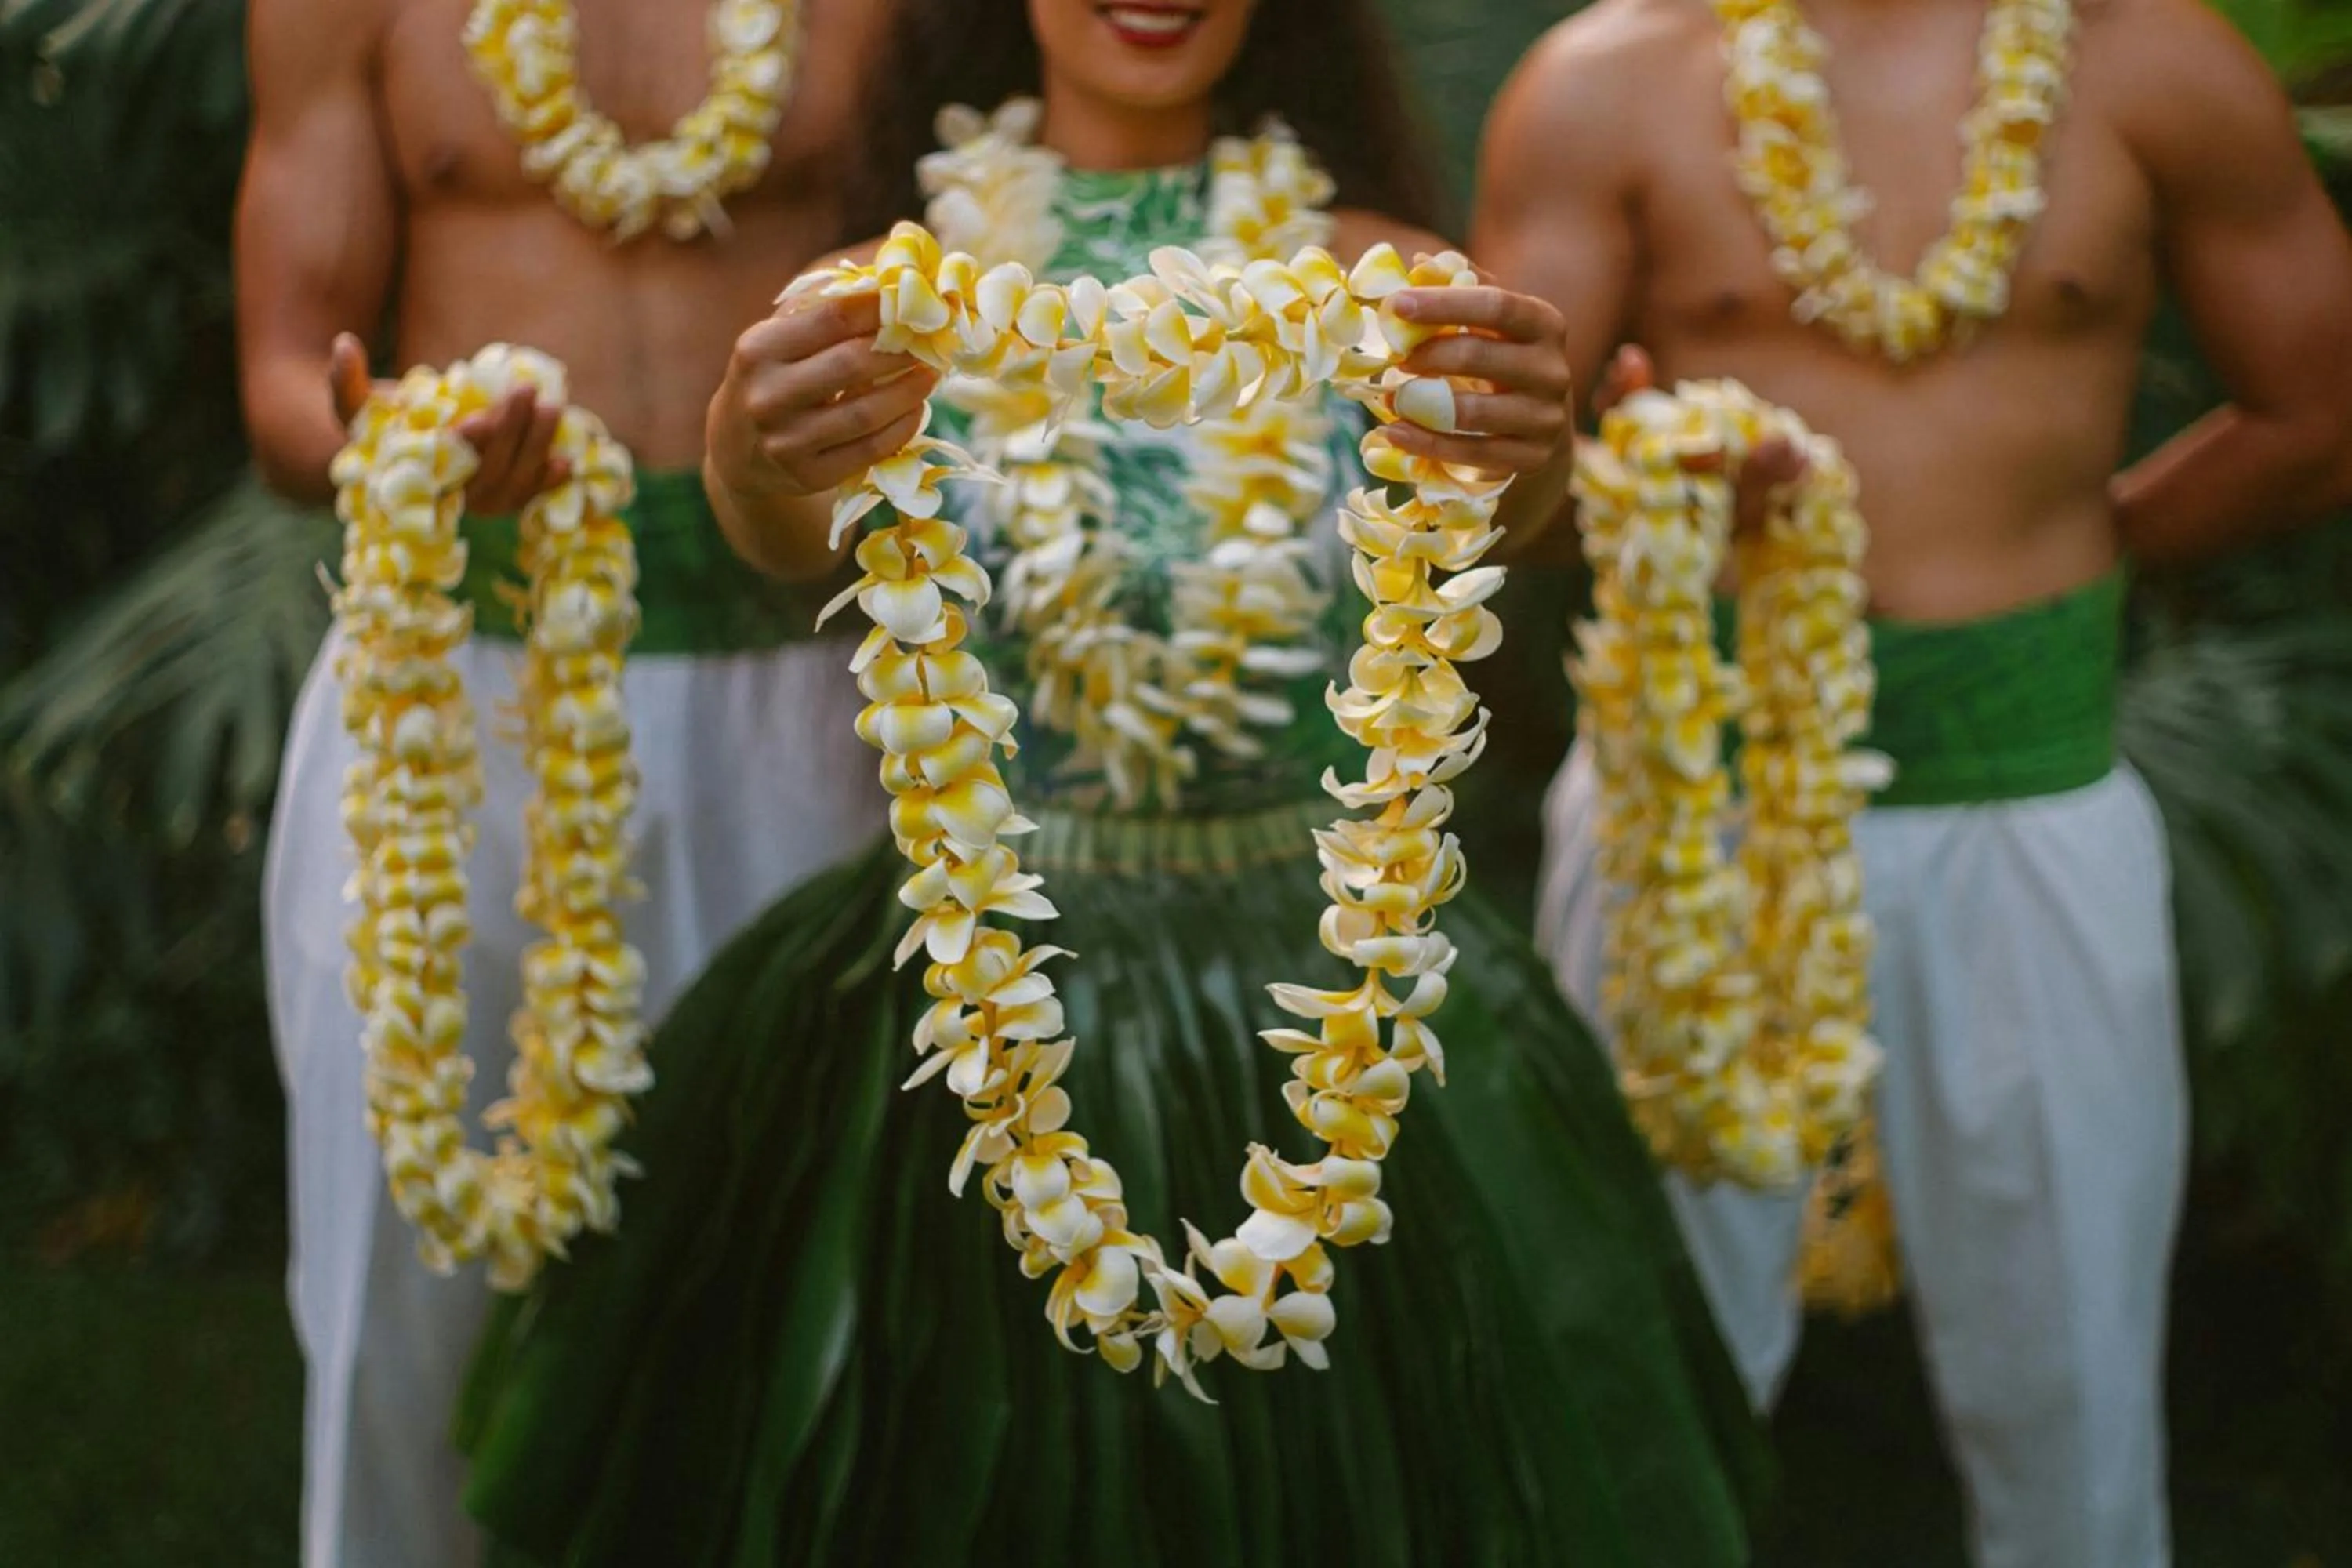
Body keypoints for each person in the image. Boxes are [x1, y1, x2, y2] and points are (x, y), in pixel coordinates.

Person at [452, 2, 1772, 1563]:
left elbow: (1509, 503)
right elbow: (784, 528)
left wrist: (1535, 442)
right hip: (981, 989)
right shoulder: (892, 288)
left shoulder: (1385, 267)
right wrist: (752, 449)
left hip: (1333, 975)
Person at [1475, 0, 2352, 1562]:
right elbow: (1486, 491)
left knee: (2071, 1390)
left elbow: (2323, 409)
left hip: (2030, 797)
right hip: (1689, 815)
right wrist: (1628, 469)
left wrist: (2076, 568)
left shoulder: (2155, 63)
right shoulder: (1604, 83)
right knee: (1638, 1378)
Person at [236, 0, 894, 1560]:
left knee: (813, 1294)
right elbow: (279, 376)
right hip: (450, 690)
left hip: (799, 684)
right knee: (407, 1300)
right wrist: (385, 443)